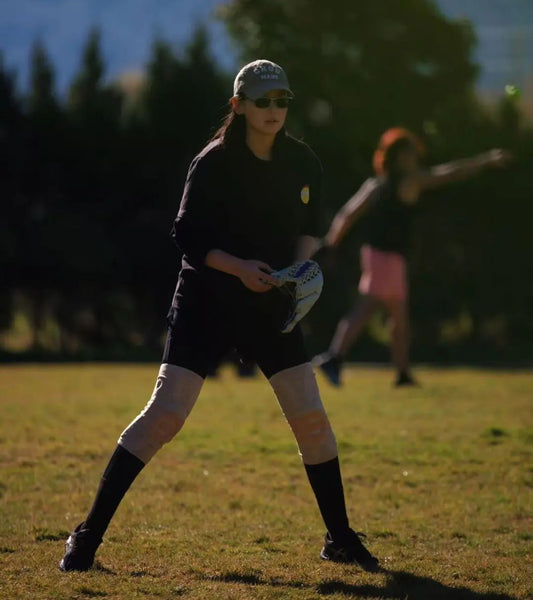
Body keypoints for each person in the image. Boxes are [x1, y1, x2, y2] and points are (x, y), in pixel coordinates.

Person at [59, 60, 380, 574]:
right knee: (165, 415)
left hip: (271, 304)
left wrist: (298, 269)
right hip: (207, 301)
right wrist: (238, 269)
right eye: (262, 101)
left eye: (282, 102)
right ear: (239, 106)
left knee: (312, 419)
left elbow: (309, 228)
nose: (274, 111)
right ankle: (86, 538)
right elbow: (186, 236)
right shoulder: (211, 163)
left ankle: (340, 538)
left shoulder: (302, 162)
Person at [314, 128, 510, 387]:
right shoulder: (410, 182)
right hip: (389, 258)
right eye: (411, 153)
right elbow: (449, 173)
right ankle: (335, 358)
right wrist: (486, 161)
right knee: (370, 309)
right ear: (401, 157)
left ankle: (398, 372)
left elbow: (346, 214)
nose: (416, 158)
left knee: (395, 316)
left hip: (375, 255)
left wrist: (330, 243)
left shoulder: (376, 184)